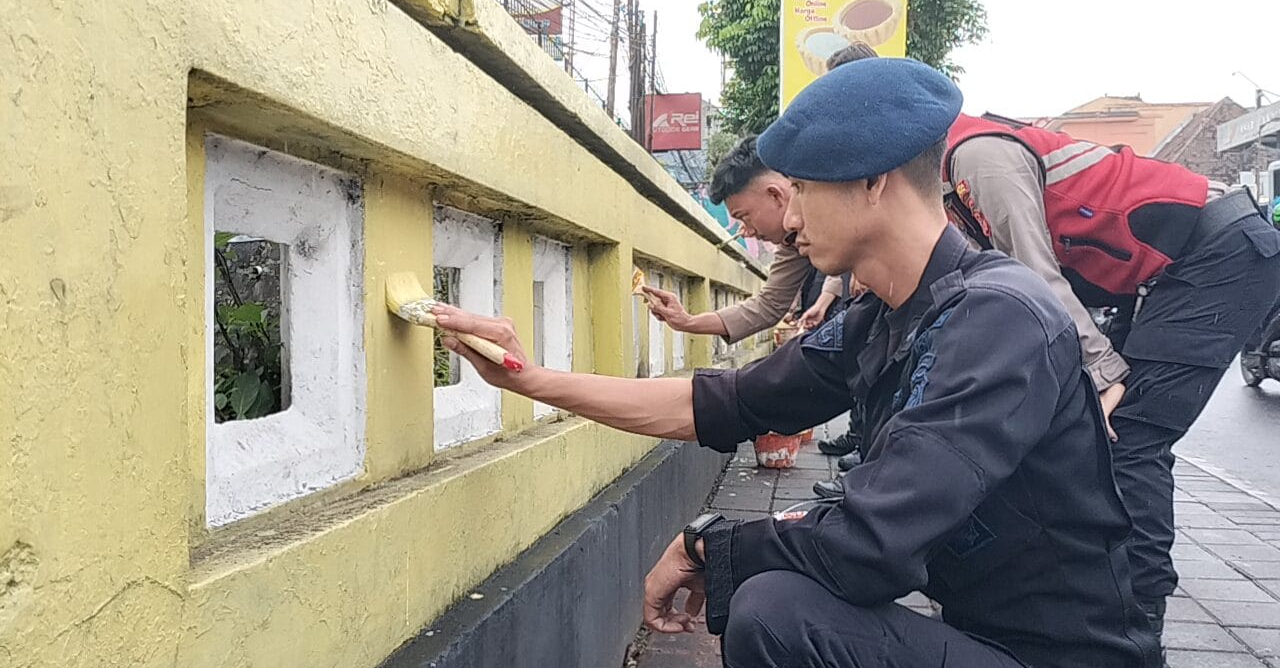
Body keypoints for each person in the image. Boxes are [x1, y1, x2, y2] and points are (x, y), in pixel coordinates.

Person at [432, 58, 1160, 668]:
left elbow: (872, 544)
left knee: (776, 613)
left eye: (803, 188)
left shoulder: (997, 318)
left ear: (873, 181)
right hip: (978, 634)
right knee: (774, 597)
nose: (789, 218)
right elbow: (720, 403)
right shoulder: (883, 317)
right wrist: (529, 378)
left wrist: (706, 544)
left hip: (1054, 658)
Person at [813, 44, 1280, 646]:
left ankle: (1134, 625)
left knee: (1128, 437)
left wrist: (1102, 373)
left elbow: (1034, 277)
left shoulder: (976, 157)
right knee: (1081, 434)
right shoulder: (936, 180)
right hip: (1154, 275)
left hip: (1217, 251)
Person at [642, 136, 862, 458]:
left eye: (745, 216)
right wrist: (687, 322)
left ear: (775, 194)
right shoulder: (792, 241)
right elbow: (769, 305)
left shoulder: (847, 182)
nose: (747, 230)